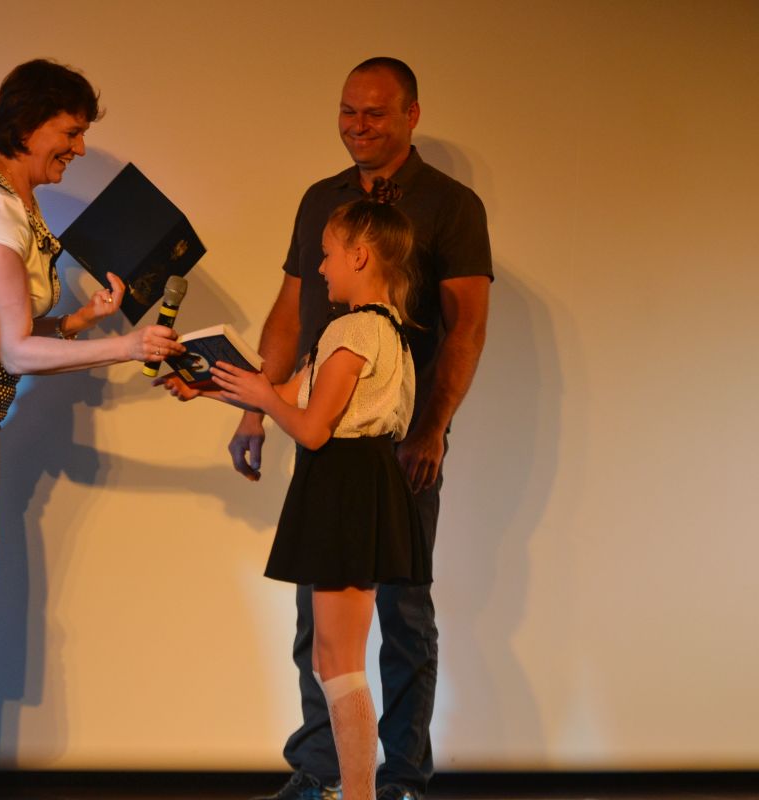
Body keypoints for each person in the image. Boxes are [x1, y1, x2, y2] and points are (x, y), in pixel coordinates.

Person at [0, 59, 183, 800]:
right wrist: (127, 346)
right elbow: (14, 351)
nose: (79, 148)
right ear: (28, 124)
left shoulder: (11, 201)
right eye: (70, 132)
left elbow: (10, 329)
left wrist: (78, 322)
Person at [234, 58, 493, 800]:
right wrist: (253, 406)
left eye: (374, 112)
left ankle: (399, 778)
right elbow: (289, 313)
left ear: (412, 114)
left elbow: (466, 327)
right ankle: (325, 774)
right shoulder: (324, 199)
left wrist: (431, 428)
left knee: (404, 612)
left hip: (394, 444)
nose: (357, 125)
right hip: (327, 437)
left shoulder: (450, 206)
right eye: (348, 111)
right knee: (320, 625)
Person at [205, 198, 430, 800]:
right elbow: (288, 392)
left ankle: (358, 794)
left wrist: (261, 398)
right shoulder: (378, 328)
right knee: (334, 659)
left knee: (340, 660)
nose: (322, 268)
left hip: (347, 487)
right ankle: (357, 791)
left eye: (327, 256)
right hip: (354, 485)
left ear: (360, 256)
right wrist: (209, 384)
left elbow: (310, 428)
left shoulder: (354, 330)